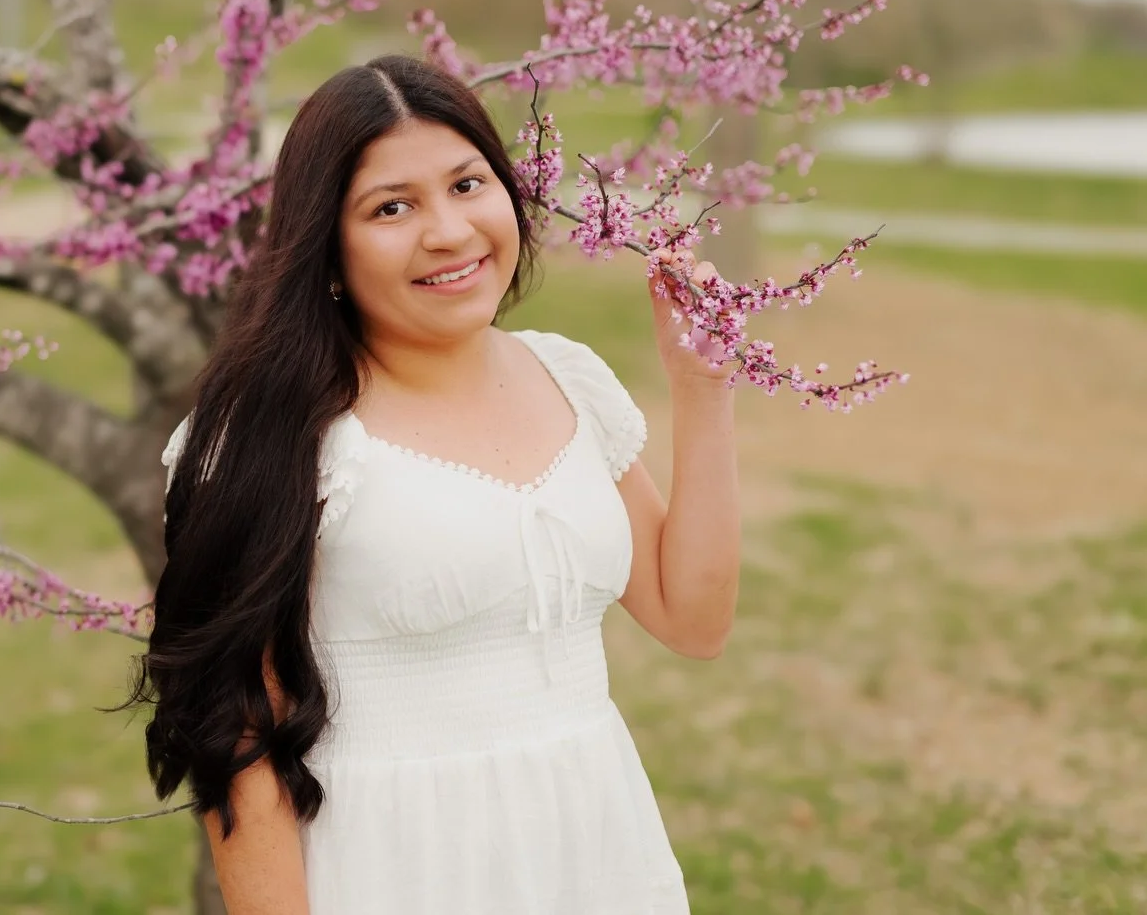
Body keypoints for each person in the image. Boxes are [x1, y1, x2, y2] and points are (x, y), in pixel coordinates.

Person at [134, 53, 741, 915]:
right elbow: (235, 736)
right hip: (396, 867)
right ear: (326, 246)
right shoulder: (271, 436)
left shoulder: (568, 379)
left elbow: (695, 618)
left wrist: (702, 389)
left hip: (597, 854)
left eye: (466, 184)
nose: (450, 231)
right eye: (392, 207)